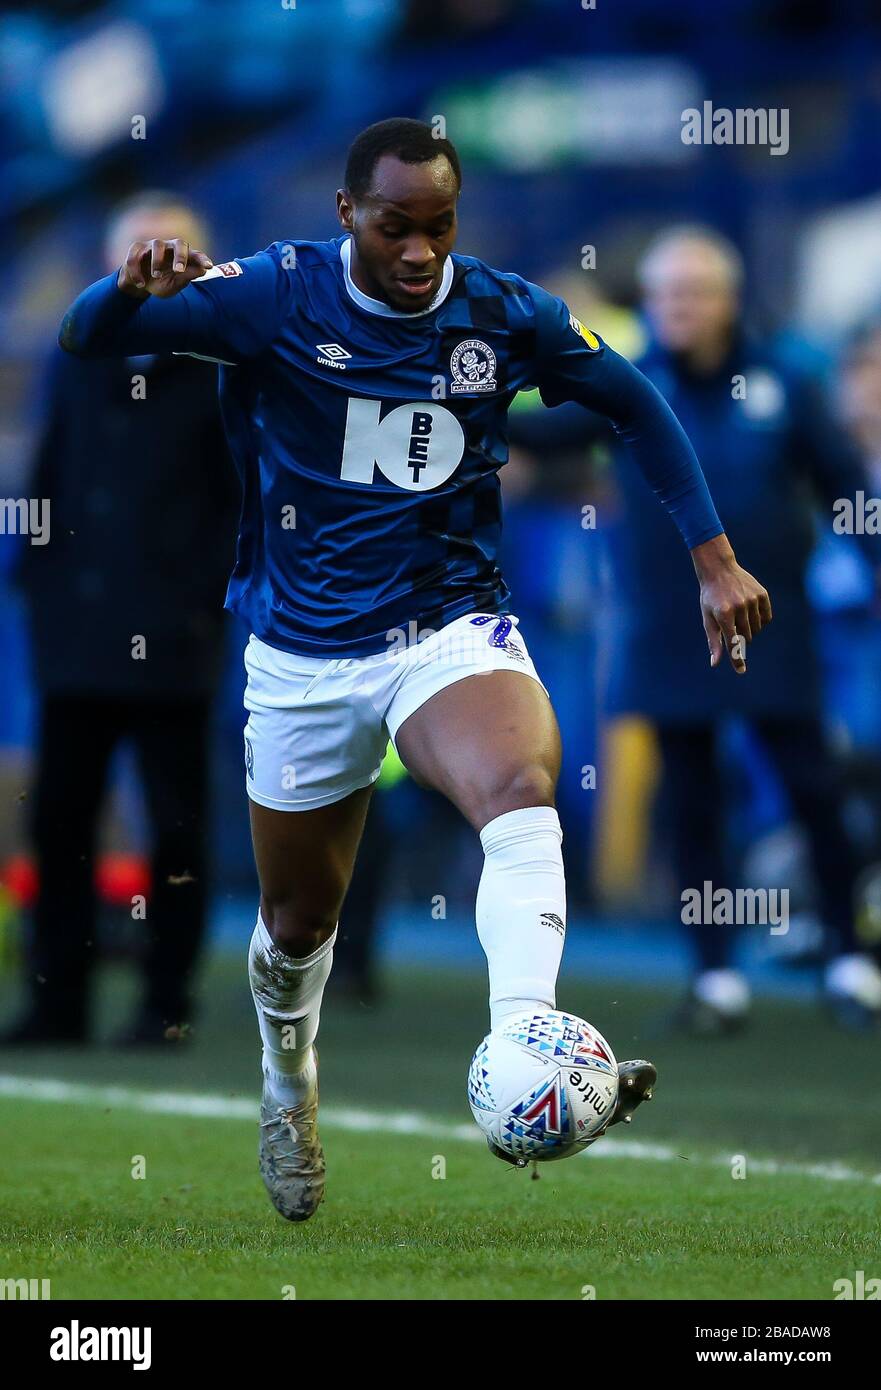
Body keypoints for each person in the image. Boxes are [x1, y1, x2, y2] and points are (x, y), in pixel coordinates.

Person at [58, 121, 769, 1221]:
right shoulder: (272, 295)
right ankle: (285, 1086)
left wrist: (712, 556)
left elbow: (631, 399)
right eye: (395, 226)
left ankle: (523, 1039)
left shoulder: (500, 311)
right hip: (300, 652)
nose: (419, 250)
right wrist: (125, 287)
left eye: (439, 226)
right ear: (347, 214)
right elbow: (85, 338)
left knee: (520, 788)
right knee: (297, 922)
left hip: (448, 626)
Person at [512, 227, 881, 1033]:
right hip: (666, 629)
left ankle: (850, 960)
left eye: (693, 292)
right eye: (664, 294)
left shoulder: (785, 382)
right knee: (689, 799)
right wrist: (476, 385)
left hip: (769, 623)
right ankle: (714, 975)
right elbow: (541, 434)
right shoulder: (629, 382)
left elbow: (843, 485)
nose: (677, 307)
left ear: (728, 298)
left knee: (812, 788)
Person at [5, 192, 238, 1047]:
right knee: (59, 817)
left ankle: (165, 1001)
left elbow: (237, 506)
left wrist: (203, 600)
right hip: (73, 629)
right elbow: (50, 469)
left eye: (169, 248)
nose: (151, 261)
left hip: (173, 636)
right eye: (136, 247)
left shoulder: (222, 367)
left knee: (174, 820)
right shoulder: (78, 354)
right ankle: (56, 998)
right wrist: (37, 578)